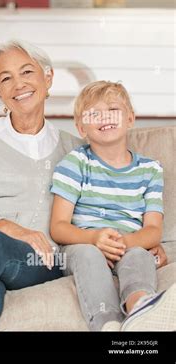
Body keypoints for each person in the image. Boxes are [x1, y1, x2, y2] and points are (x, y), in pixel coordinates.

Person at [0, 40, 169, 331]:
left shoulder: (76, 151)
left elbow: (105, 204)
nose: (18, 84)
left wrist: (147, 245)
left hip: (35, 260)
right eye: (6, 78)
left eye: (27, 72)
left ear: (47, 78)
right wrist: (13, 229)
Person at [49, 80, 175, 331]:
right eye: (93, 113)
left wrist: (121, 245)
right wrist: (95, 239)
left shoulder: (150, 170)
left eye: (113, 110)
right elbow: (58, 227)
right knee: (89, 254)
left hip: (127, 244)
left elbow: (153, 230)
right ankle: (107, 324)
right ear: (81, 126)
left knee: (140, 254)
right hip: (81, 245)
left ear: (130, 118)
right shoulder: (75, 163)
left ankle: (140, 308)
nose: (104, 117)